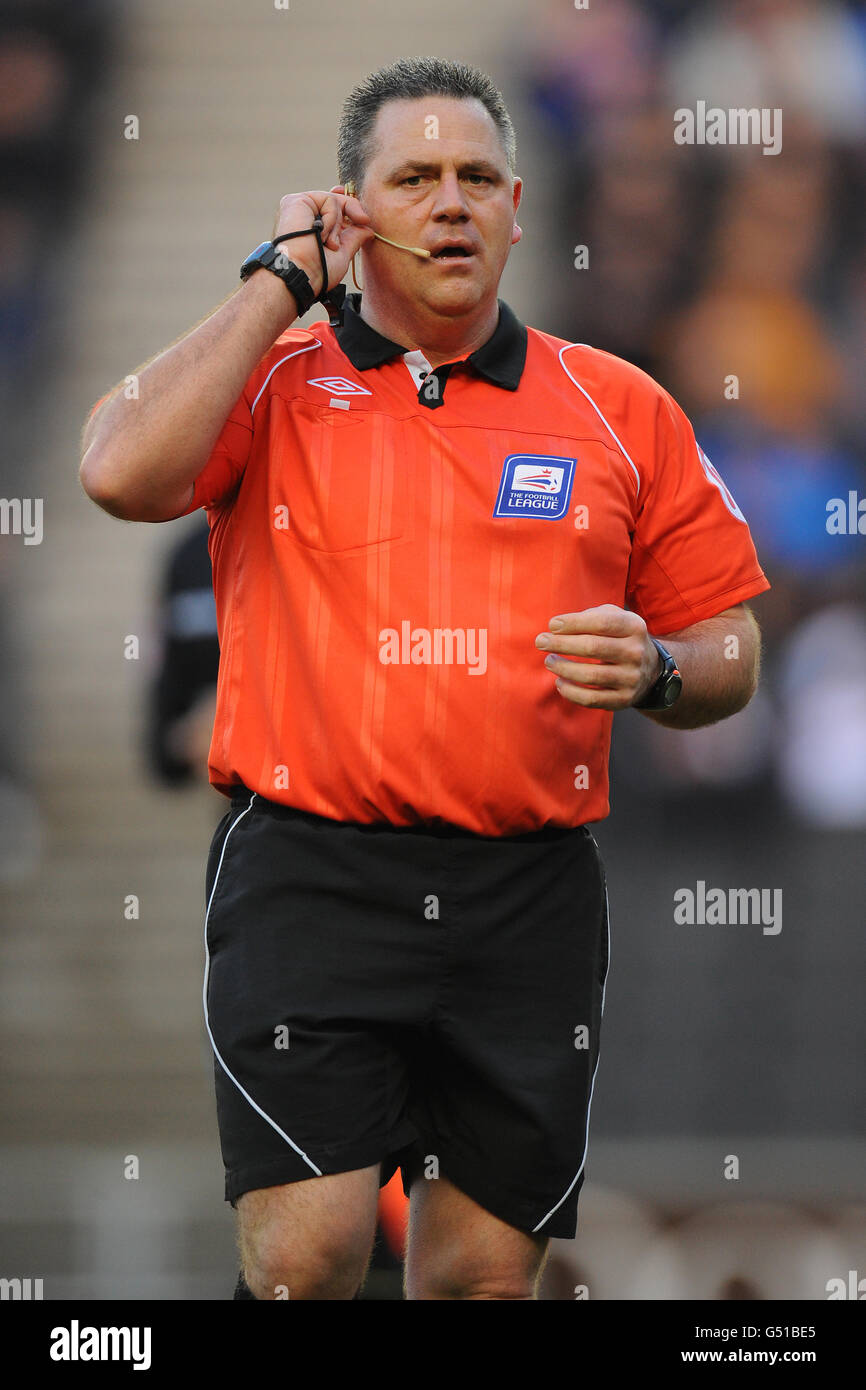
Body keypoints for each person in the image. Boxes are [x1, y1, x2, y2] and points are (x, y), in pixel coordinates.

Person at [79, 57, 770, 1301]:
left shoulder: (619, 407)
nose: (450, 203)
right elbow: (121, 470)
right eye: (413, 177)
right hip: (311, 872)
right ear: (352, 212)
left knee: (480, 1281)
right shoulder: (273, 382)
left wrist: (663, 668)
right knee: (306, 1258)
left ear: (517, 208)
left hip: (527, 889)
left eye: (475, 179)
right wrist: (279, 278)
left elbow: (730, 646)